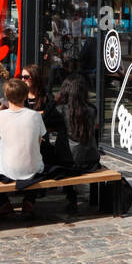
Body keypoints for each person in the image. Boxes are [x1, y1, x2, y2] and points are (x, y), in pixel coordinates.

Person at [0, 78, 45, 219]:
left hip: (8, 170)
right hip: (33, 168)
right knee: (37, 162)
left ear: (6, 95)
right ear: (25, 96)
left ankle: (4, 203)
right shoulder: (35, 116)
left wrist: (1, 106)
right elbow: (40, 140)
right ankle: (29, 201)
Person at [42, 73, 101, 213]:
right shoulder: (92, 109)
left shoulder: (60, 110)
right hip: (91, 161)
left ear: (65, 90)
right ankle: (74, 198)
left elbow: (45, 120)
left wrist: (54, 101)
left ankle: (71, 197)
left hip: (68, 163)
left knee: (48, 150)